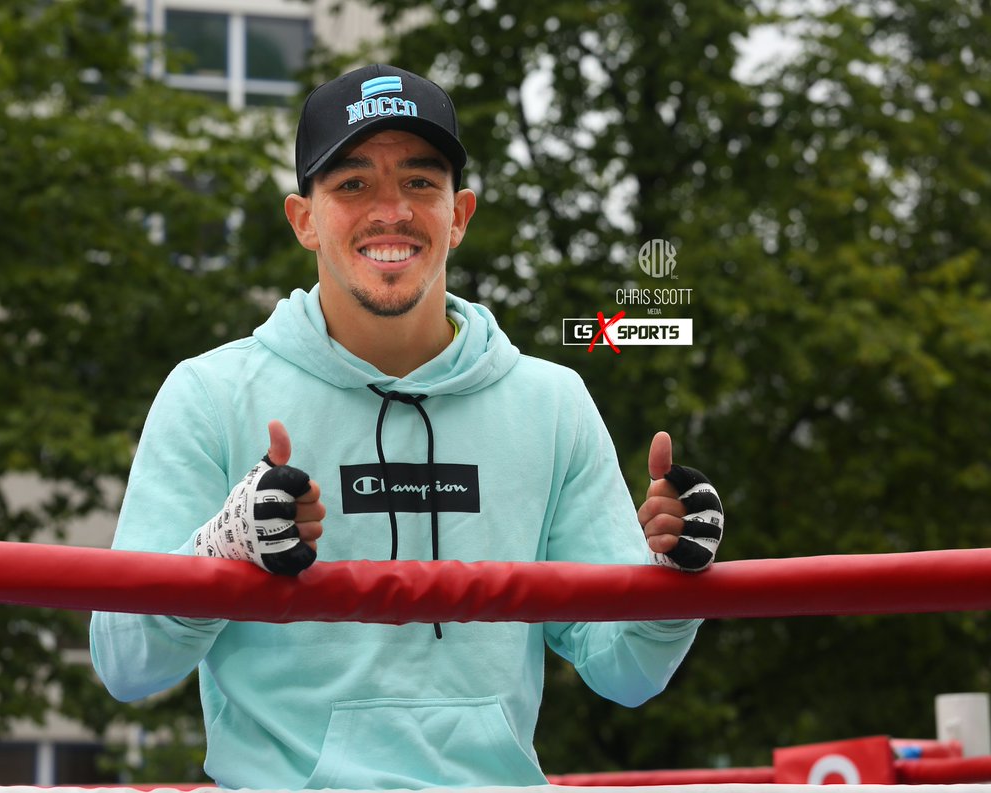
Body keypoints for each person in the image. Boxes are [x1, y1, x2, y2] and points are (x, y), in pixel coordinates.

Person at [89, 63, 723, 790]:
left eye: (420, 182)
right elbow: (126, 665)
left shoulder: (553, 402)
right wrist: (222, 550)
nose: (390, 211)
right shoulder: (209, 393)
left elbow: (627, 672)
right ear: (304, 219)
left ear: (459, 215)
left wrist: (673, 577)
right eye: (352, 184)